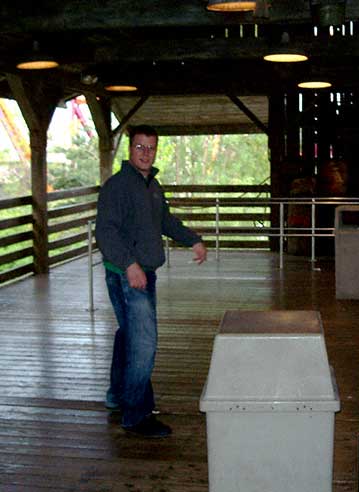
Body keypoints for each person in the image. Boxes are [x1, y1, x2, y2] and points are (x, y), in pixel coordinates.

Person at [95, 125, 207, 438]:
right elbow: (105, 231)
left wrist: (193, 240)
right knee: (144, 345)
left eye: (151, 148)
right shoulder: (117, 186)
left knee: (129, 335)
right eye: (140, 147)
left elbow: (165, 221)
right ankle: (136, 414)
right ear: (130, 150)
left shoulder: (151, 185)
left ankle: (117, 395)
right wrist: (129, 265)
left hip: (147, 273)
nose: (146, 153)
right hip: (127, 275)